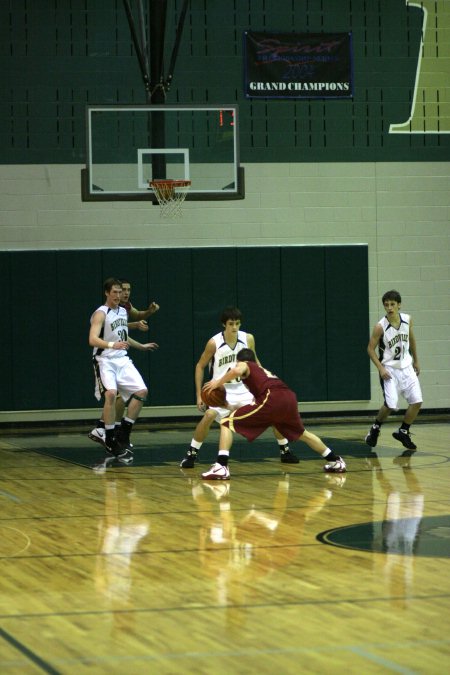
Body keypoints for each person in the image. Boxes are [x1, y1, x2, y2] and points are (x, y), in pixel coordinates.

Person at [179, 307, 300, 469]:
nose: (234, 327)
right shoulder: (214, 343)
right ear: (224, 324)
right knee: (208, 416)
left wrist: (266, 382)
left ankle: (285, 450)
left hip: (245, 389)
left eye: (237, 323)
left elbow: (255, 363)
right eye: (231, 324)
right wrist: (199, 395)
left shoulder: (248, 338)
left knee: (272, 413)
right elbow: (200, 366)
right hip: (221, 391)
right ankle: (191, 454)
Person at [200, 348, 346, 479]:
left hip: (273, 398)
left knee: (225, 423)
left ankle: (221, 466)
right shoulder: (263, 374)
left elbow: (237, 371)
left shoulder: (246, 364)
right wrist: (228, 405)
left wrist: (217, 383)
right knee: (303, 434)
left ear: (241, 361)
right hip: (288, 398)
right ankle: (335, 460)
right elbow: (253, 407)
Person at [89, 277, 158, 466]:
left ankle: (124, 432)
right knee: (111, 394)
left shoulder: (122, 312)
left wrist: (141, 346)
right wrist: (112, 344)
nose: (119, 295)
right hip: (104, 360)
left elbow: (124, 337)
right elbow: (93, 339)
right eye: (115, 292)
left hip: (122, 359)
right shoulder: (100, 314)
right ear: (107, 293)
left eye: (121, 292)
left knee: (142, 391)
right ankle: (109, 438)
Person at [365, 289, 422, 451]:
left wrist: (416, 360)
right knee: (390, 405)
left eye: (392, 304)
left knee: (417, 402)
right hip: (389, 369)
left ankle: (404, 431)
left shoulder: (407, 320)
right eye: (386, 305)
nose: (389, 307)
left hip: (407, 367)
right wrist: (381, 368)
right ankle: (375, 429)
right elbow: (370, 349)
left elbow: (411, 339)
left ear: (399, 305)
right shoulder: (380, 327)